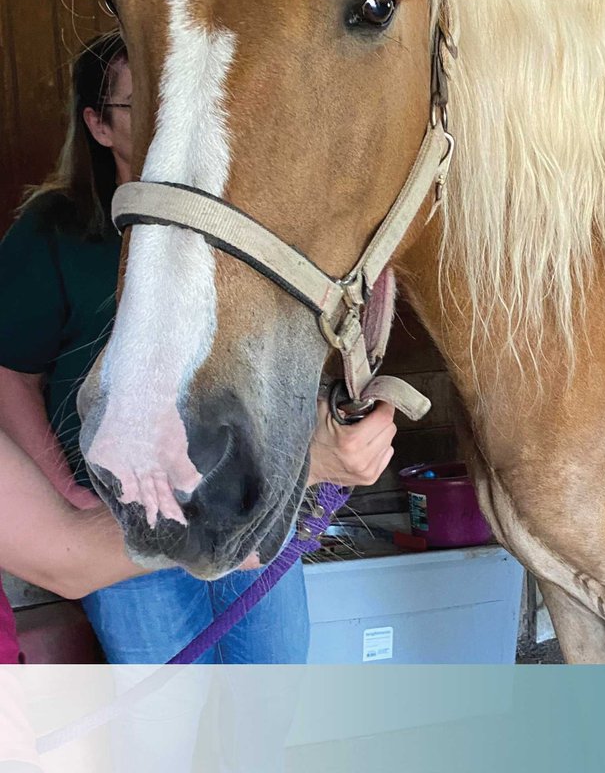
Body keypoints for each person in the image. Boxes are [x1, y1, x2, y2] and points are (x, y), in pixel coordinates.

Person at [0, 32, 397, 664]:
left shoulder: (234, 227)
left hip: (242, 495)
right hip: (122, 510)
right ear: (100, 126)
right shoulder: (56, 231)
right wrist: (64, 496)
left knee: (270, 685)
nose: (166, 117)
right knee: (168, 712)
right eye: (142, 102)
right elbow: (10, 375)